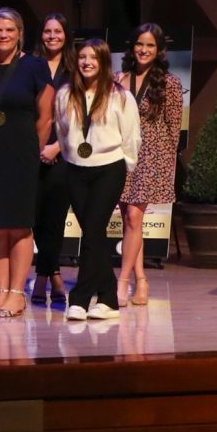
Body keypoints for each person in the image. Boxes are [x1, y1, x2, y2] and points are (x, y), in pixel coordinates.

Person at [0, 8, 55, 320]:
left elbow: (46, 117)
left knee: (19, 225)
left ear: (19, 34)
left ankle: (18, 293)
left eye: (9, 30)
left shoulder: (35, 66)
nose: (3, 35)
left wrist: (35, 150)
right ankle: (1, 292)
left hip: (21, 155)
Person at [56, 39, 138, 321]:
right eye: (82, 57)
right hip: (76, 169)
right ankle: (109, 300)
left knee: (93, 229)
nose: (87, 62)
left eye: (93, 57)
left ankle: (79, 298)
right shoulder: (65, 93)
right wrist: (70, 160)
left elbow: (131, 137)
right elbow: (61, 131)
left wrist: (125, 167)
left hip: (109, 169)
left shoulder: (120, 96)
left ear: (103, 62)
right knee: (93, 234)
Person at [116, 23, 182, 307]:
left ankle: (122, 282)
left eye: (150, 46)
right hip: (122, 155)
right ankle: (141, 279)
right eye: (140, 44)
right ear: (133, 47)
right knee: (130, 222)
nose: (144, 50)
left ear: (158, 51)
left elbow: (173, 130)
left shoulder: (170, 83)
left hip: (152, 157)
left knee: (133, 216)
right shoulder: (120, 79)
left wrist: (165, 169)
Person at [31, 12, 74, 305]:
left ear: (66, 35)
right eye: (47, 31)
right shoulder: (30, 66)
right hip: (30, 150)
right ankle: (52, 275)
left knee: (55, 218)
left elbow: (80, 115)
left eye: (57, 31)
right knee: (34, 216)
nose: (52, 36)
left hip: (64, 152)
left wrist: (57, 146)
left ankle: (44, 277)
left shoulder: (76, 69)